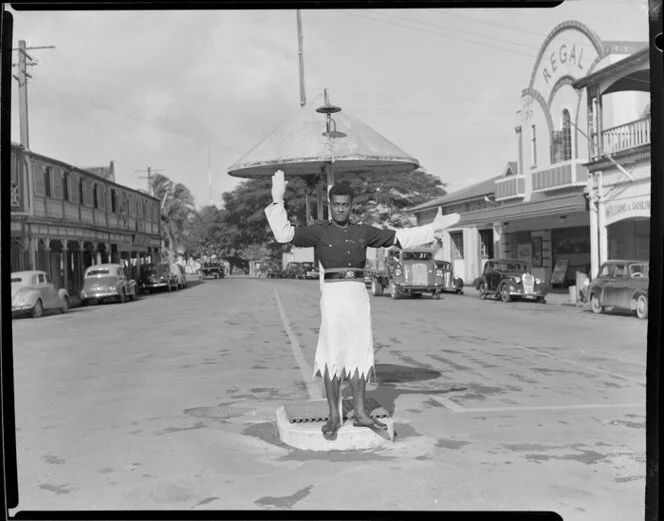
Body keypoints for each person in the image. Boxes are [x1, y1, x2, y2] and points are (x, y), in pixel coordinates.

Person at [265, 170, 459, 441]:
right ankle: (334, 416)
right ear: (331, 205)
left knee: (358, 353)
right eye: (336, 205)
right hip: (332, 295)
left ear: (351, 206)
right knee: (333, 355)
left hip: (357, 294)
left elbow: (398, 238)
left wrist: (432, 228)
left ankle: (360, 413)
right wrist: (277, 201)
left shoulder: (363, 231)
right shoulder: (319, 231)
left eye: (345, 205)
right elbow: (284, 235)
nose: (341, 209)